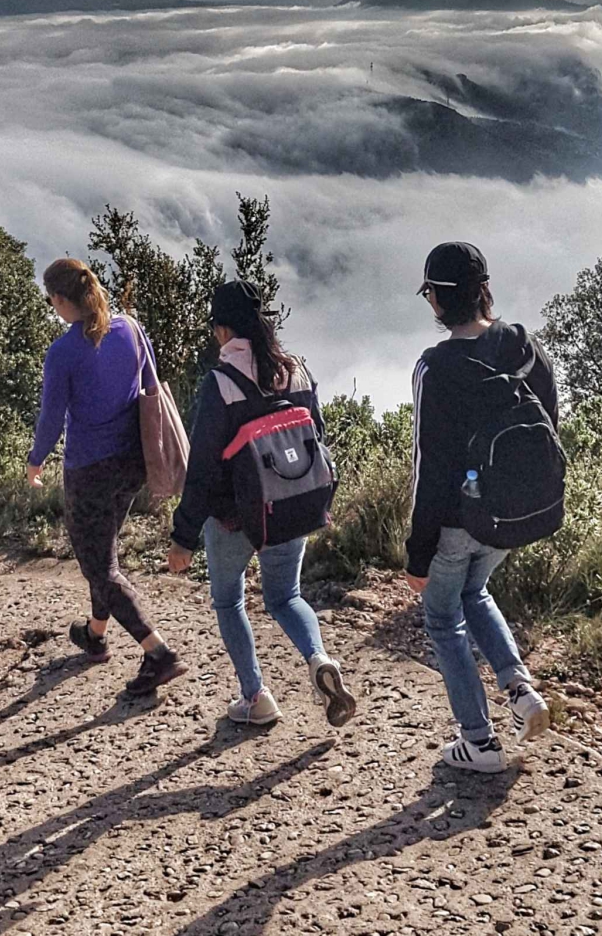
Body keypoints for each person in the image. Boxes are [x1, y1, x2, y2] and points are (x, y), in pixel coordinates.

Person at [167, 280, 357, 728]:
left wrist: (183, 536)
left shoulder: (221, 383)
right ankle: (318, 659)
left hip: (234, 519)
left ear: (222, 329)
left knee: (229, 600)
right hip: (291, 506)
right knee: (286, 596)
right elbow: (318, 439)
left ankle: (255, 697)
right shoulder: (296, 370)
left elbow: (203, 469)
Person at [406, 241, 555, 773]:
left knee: (444, 617)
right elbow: (549, 427)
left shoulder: (435, 367)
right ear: (483, 291)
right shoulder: (521, 345)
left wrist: (417, 555)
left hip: (454, 523)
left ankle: (480, 742)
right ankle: (520, 688)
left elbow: (430, 466)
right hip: (510, 514)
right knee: (476, 590)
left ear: (440, 301)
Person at [29, 258, 188, 697]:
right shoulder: (130, 329)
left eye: (51, 300)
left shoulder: (63, 352)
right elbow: (151, 387)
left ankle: (159, 653)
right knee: (106, 553)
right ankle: (95, 635)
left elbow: (51, 418)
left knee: (99, 565)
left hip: (90, 469)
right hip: (133, 462)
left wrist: (35, 460)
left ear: (62, 300)